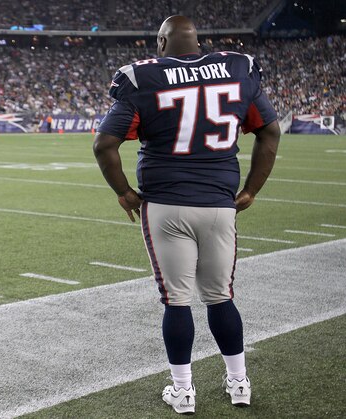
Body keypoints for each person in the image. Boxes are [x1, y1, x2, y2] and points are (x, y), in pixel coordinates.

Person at [93, 15, 280, 415]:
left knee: (176, 302)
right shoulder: (237, 68)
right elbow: (270, 131)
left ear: (161, 42)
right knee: (220, 297)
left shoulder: (143, 77)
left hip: (166, 204)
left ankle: (183, 391)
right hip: (218, 204)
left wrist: (125, 193)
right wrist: (251, 189)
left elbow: (104, 145)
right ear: (198, 41)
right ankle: (239, 383)